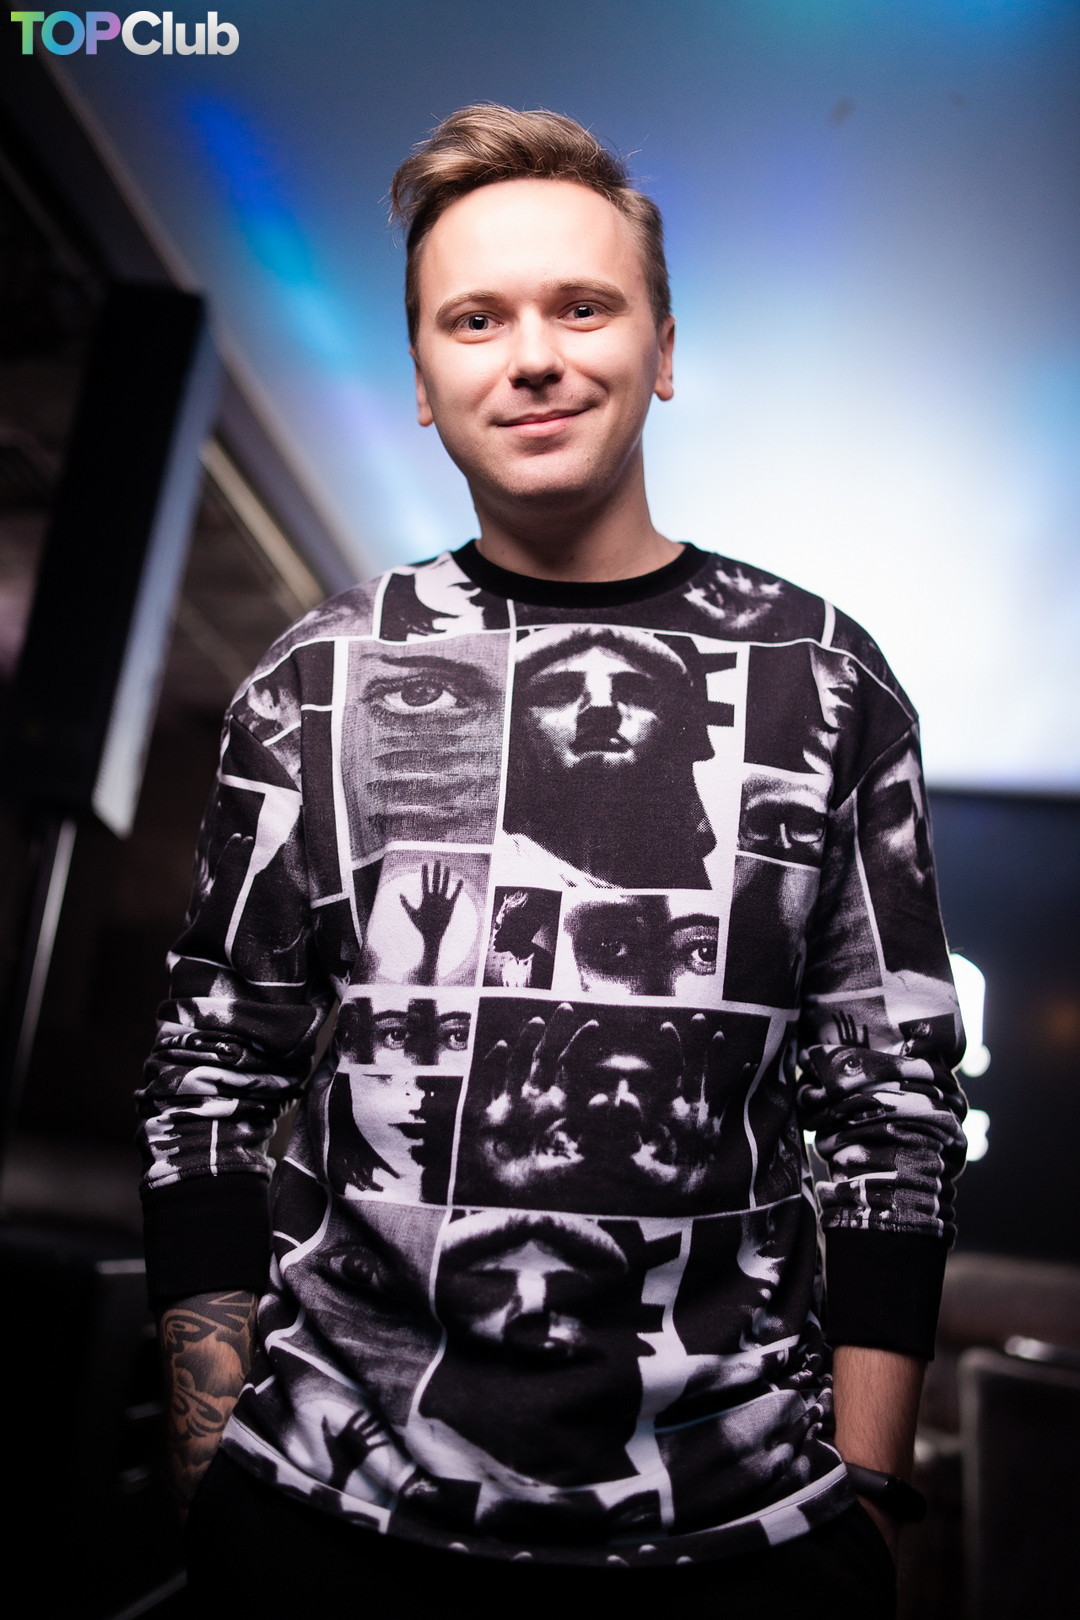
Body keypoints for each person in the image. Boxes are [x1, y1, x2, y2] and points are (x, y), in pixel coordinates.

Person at [138, 104, 967, 1618]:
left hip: (737, 1544)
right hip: (328, 1529)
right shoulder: (324, 681)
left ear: (664, 349)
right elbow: (208, 1075)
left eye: (582, 306)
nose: (531, 357)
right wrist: (214, 1479)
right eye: (476, 318)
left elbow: (891, 1107)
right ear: (421, 381)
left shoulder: (820, 676)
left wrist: (872, 1504)